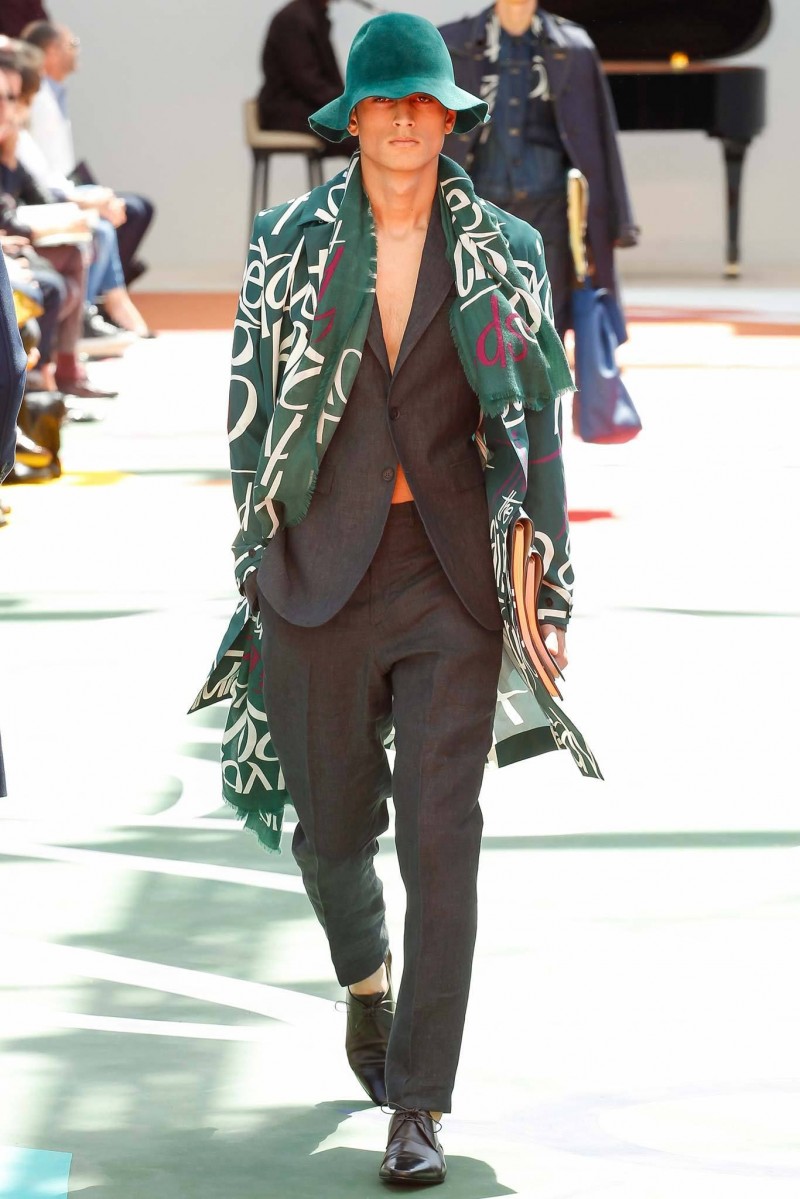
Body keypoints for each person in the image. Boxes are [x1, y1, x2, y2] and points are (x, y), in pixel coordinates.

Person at [196, 12, 600, 1186]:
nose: (407, 119)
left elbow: (539, 424)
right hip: (316, 570)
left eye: (426, 101)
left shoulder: (506, 249)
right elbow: (249, 411)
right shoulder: (285, 243)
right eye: (385, 102)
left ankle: (418, 1102)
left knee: (443, 839)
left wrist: (552, 589)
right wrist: (256, 561)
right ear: (352, 120)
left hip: (452, 573)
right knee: (332, 833)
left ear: (449, 116)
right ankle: (364, 981)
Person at [439, 0, 638, 336]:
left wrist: (617, 218)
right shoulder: (453, 45)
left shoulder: (573, 48)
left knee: (548, 325)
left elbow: (598, 138)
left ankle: (548, 390)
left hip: (552, 210)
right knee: (479, 321)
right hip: (475, 204)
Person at [22, 21, 155, 293]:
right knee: (117, 218)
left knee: (134, 208)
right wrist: (83, 198)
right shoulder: (34, 100)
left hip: (61, 187)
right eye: (72, 45)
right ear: (51, 52)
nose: (77, 51)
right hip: (47, 194)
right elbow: (38, 174)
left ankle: (106, 295)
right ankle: (101, 301)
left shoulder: (52, 94)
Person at [257, 0, 356, 155]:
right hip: (287, 112)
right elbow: (307, 82)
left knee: (374, 133)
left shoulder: (313, 14)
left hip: (305, 107)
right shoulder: (294, 19)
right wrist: (350, 104)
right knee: (364, 138)